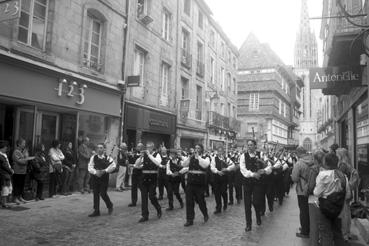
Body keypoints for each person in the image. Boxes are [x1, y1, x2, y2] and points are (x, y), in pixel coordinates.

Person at [314, 153, 350, 246]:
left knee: (326, 234)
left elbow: (316, 193)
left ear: (326, 163)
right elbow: (348, 195)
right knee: (338, 233)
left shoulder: (323, 175)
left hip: (325, 208)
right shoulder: (343, 176)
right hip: (338, 208)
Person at [240, 140, 270, 232]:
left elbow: (269, 165)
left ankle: (258, 216)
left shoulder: (260, 154)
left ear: (255, 146)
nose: (249, 147)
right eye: (248, 145)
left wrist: (264, 171)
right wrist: (253, 174)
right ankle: (248, 224)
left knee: (256, 202)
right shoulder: (243, 156)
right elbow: (243, 169)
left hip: (258, 183)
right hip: (247, 182)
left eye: (251, 145)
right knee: (247, 204)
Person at [182, 144, 210, 227]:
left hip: (199, 183)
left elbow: (205, 165)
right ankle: (189, 219)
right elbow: (184, 164)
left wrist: (198, 157)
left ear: (201, 150)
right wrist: (189, 157)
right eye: (195, 148)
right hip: (190, 182)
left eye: (198, 148)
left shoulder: (206, 157)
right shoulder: (191, 157)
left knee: (200, 201)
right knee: (189, 202)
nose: (196, 150)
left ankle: (205, 214)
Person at [134, 142, 162, 222]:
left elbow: (157, 163)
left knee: (152, 197)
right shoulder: (144, 155)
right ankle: (144, 215)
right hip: (144, 178)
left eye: (150, 147)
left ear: (153, 147)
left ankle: (158, 208)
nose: (148, 149)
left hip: (152, 179)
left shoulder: (157, 155)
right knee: (144, 197)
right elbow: (136, 165)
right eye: (147, 147)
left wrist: (149, 155)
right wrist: (141, 157)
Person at [291, 146, 314, 238]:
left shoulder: (299, 163)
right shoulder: (313, 161)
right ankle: (309, 227)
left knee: (303, 210)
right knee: (309, 210)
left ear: (299, 153)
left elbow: (294, 178)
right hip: (312, 188)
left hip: (302, 189)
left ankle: (305, 231)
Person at [336, 148, 359, 242]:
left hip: (345, 192)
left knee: (344, 213)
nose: (336, 156)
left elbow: (341, 179)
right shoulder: (348, 163)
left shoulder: (342, 165)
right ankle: (347, 232)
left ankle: (344, 234)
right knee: (347, 212)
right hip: (349, 192)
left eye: (337, 154)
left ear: (340, 155)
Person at [88, 143, 116, 217]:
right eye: (98, 148)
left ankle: (109, 205)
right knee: (95, 193)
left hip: (104, 178)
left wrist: (105, 170)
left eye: (101, 148)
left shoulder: (108, 158)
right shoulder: (93, 157)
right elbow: (90, 167)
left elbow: (113, 166)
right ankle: (96, 210)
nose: (99, 149)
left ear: (104, 149)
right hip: (95, 177)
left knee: (103, 193)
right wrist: (95, 172)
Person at [210, 147, 235, 214]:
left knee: (223, 192)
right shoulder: (214, 159)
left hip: (224, 178)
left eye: (221, 151)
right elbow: (212, 167)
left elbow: (233, 165)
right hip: (216, 178)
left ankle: (225, 203)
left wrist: (227, 169)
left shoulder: (226, 159)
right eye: (219, 151)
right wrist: (217, 171)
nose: (220, 152)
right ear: (217, 152)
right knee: (217, 194)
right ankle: (218, 207)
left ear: (223, 152)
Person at [308, 150, 325, 246]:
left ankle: (314, 243)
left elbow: (310, 186)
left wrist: (306, 190)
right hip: (324, 199)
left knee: (314, 224)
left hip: (313, 199)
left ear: (315, 159)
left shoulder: (314, 169)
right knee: (322, 224)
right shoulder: (326, 168)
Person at [12, 138, 33, 204]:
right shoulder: (16, 151)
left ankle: (20, 197)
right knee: (16, 185)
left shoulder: (24, 151)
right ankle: (15, 198)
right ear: (19, 144)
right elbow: (19, 161)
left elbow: (26, 158)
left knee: (21, 185)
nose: (24, 144)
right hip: (17, 171)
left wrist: (26, 157)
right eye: (23, 143)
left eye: (24, 143)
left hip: (23, 171)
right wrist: (26, 160)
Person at [128, 143, 143, 207]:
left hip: (141, 172)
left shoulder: (144, 155)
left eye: (139, 146)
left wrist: (133, 165)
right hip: (135, 172)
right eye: (137, 146)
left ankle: (144, 199)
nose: (138, 147)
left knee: (141, 187)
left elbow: (141, 164)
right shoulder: (134, 154)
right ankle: (133, 202)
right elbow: (131, 162)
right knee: (133, 187)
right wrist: (129, 156)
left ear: (142, 147)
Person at [0, 140, 14, 208]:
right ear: (2, 148)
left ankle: (4, 203)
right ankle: (4, 203)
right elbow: (4, 166)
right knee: (4, 189)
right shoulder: (0, 156)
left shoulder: (4, 155)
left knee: (7, 188)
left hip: (7, 174)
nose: (6, 149)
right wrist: (11, 170)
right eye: (5, 147)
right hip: (3, 174)